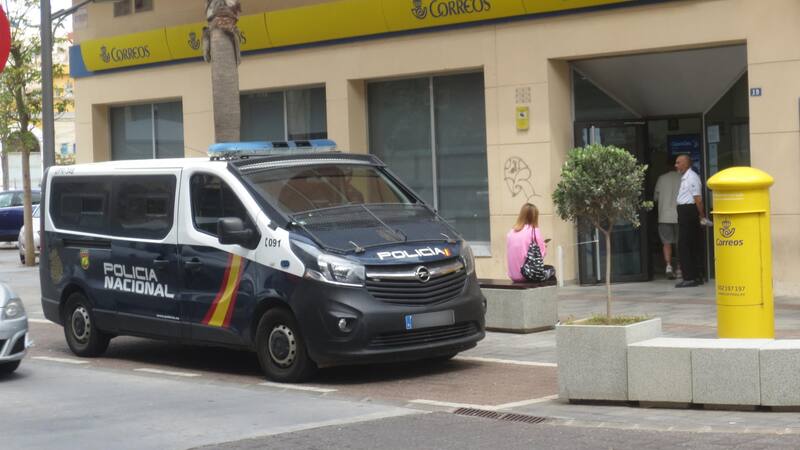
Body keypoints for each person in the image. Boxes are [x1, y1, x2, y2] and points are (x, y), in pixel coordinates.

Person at [674, 154, 708, 288]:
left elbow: (698, 199)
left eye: (678, 163)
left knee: (685, 246)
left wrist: (701, 215)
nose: (676, 165)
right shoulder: (685, 177)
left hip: (689, 212)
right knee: (689, 245)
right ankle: (695, 275)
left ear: (686, 163)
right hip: (684, 212)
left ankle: (690, 277)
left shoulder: (692, 177)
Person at [653, 163, 681, 279]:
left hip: (664, 216)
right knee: (680, 243)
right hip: (679, 216)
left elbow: (655, 198)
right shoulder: (683, 178)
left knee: (666, 243)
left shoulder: (661, 178)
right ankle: (680, 268)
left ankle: (668, 266)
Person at [506, 203, 547, 282]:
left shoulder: (511, 232)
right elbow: (541, 255)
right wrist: (544, 246)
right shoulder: (534, 230)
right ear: (534, 216)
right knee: (551, 270)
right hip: (527, 275)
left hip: (513, 276)